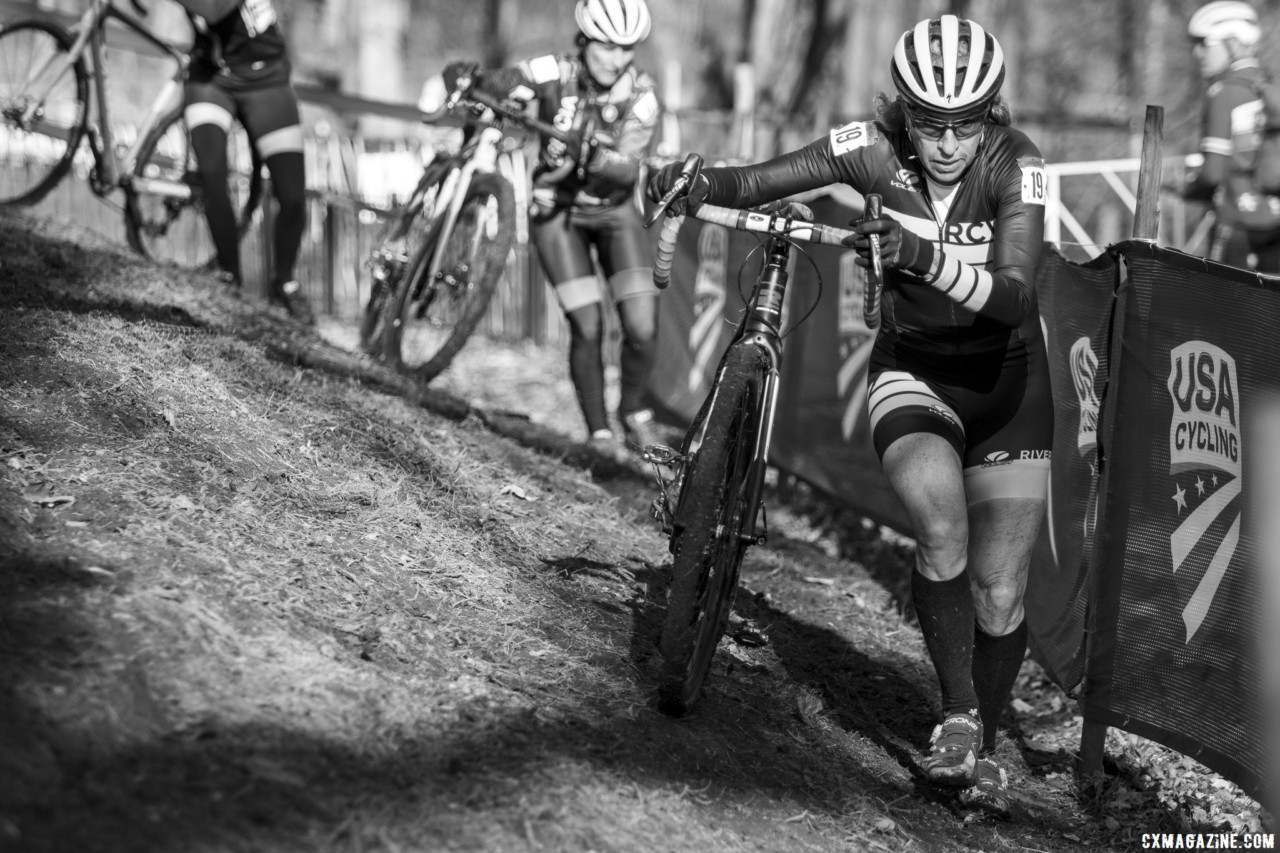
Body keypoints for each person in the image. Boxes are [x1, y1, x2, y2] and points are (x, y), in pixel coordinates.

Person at [649, 14, 1048, 817]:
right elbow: (762, 179)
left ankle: (987, 745)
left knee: (1001, 591)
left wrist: (922, 256)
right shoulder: (870, 145)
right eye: (928, 123)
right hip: (916, 374)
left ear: (989, 117)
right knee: (940, 532)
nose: (944, 143)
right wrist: (697, 182)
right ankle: (959, 716)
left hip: (1011, 391)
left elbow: (1016, 295)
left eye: (963, 125)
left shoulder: (1020, 164)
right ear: (903, 110)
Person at [430, 0, 662, 454]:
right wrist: (466, 77)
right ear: (585, 40)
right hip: (557, 214)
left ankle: (632, 413)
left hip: (614, 215)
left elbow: (627, 169)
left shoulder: (643, 95)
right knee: (588, 324)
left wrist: (594, 155)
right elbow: (503, 82)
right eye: (608, 47)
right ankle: (599, 434)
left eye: (627, 49)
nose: (617, 59)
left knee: (643, 327)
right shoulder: (554, 70)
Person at [172, 0, 315, 324]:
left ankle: (284, 283)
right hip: (211, 79)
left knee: (292, 197)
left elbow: (213, 9)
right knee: (211, 174)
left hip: (267, 80)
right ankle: (230, 278)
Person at [1181, 1, 1280, 272]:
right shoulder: (1266, 83)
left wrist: (1188, 188)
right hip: (1274, 219)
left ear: (1232, 43)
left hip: (1236, 222)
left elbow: (1213, 173)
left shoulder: (1224, 93)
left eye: (1204, 43)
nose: (1197, 52)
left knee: (1220, 309)